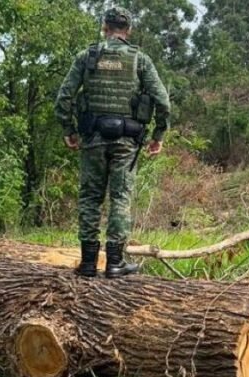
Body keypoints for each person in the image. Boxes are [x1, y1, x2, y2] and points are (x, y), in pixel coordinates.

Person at [54, 6, 171, 278]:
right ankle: (115, 263)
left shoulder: (87, 57)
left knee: (90, 197)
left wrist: (68, 130)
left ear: (105, 27)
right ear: (127, 30)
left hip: (93, 138)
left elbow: (64, 98)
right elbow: (163, 102)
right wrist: (158, 136)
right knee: (120, 197)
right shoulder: (140, 60)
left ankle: (87, 263)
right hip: (126, 141)